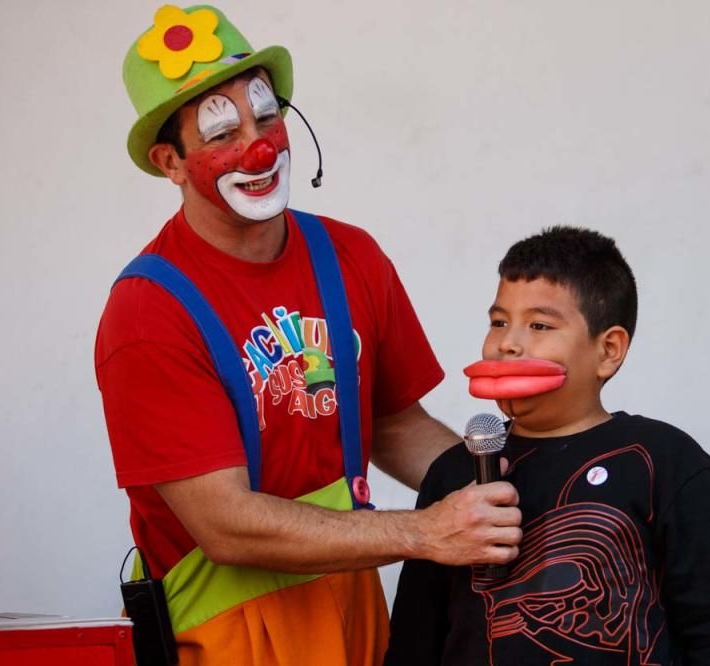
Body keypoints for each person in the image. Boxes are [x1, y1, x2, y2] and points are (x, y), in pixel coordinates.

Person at [95, 5, 521, 665]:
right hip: (227, 637)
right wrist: (425, 532)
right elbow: (225, 525)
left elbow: (393, 426)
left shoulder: (352, 257)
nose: (258, 146)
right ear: (170, 162)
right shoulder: (148, 313)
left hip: (353, 610)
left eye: (266, 117)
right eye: (221, 132)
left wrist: (510, 485)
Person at [384, 226, 710, 665]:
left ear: (608, 350)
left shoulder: (668, 465)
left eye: (540, 325)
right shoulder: (455, 473)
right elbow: (415, 640)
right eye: (498, 322)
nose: (508, 342)